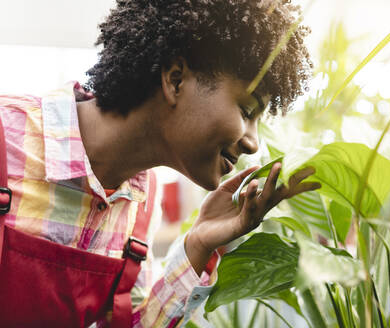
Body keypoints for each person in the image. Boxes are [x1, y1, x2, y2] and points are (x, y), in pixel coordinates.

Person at [0, 0, 318, 327]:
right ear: (176, 79)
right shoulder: (7, 142)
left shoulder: (141, 204)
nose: (253, 143)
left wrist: (199, 244)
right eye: (247, 111)